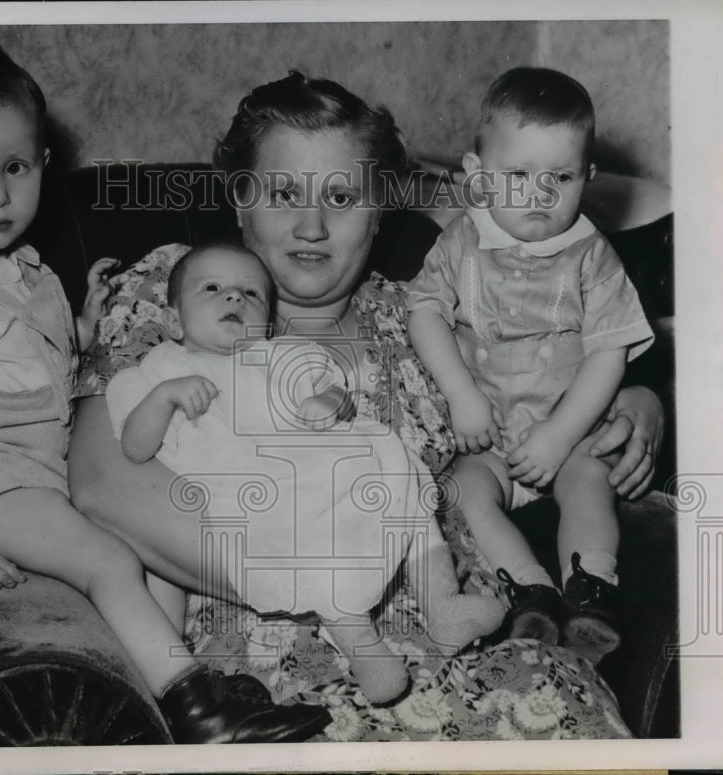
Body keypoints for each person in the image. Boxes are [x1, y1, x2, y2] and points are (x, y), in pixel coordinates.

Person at [70, 70, 665, 740]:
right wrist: (325, 580)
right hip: (277, 684)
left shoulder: (421, 317)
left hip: (481, 650)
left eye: (343, 196)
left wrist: (639, 399)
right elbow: (101, 482)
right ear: (240, 200)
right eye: (283, 192)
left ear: (379, 207)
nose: (312, 225)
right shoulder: (176, 286)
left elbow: (544, 371)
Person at [0, 42, 330, 745]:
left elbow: (41, 368)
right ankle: (202, 713)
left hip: (43, 481)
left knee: (148, 554)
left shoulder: (29, 273)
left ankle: (171, 687)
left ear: (42, 166)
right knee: (110, 561)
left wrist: (83, 320)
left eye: (14, 168)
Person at [104, 242, 506, 704]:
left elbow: (335, 393)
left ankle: (443, 603)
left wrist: (328, 402)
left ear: (268, 322)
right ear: (174, 321)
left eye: (251, 294)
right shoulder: (160, 371)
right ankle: (364, 649)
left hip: (323, 466)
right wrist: (163, 398)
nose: (234, 299)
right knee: (308, 553)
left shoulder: (281, 356)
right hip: (254, 495)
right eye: (213, 288)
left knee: (396, 463)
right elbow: (135, 448)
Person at [406, 67, 655, 662]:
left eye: (561, 177)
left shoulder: (592, 256)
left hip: (564, 432)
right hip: (488, 439)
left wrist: (561, 434)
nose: (540, 196)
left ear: (587, 178)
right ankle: (529, 590)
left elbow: (609, 352)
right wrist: (462, 395)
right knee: (461, 490)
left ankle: (590, 590)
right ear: (478, 176)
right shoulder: (459, 243)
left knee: (590, 476)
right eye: (518, 176)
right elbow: (423, 312)